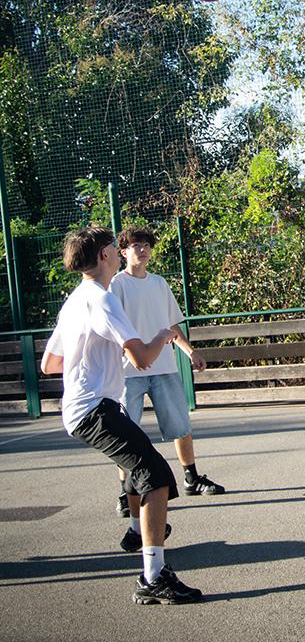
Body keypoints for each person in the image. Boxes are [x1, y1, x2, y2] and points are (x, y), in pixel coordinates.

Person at [40, 227, 202, 604]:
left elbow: (50, 364)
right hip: (94, 409)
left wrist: (92, 354)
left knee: (136, 470)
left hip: (86, 407)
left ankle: (136, 534)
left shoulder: (75, 300)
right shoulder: (103, 300)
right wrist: (164, 336)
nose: (118, 251)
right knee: (157, 476)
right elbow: (143, 359)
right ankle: (153, 576)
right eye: (113, 247)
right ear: (103, 257)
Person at [109, 228, 224, 523]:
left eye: (146, 245)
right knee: (125, 435)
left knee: (181, 426)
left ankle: (191, 479)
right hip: (127, 372)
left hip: (164, 368)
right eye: (136, 245)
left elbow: (172, 324)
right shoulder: (116, 285)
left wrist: (190, 352)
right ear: (123, 252)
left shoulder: (159, 284)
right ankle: (126, 494)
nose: (143, 250)